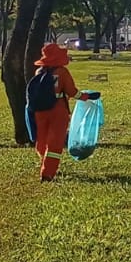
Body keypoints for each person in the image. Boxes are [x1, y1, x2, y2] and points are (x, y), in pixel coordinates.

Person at [28, 43, 95, 181]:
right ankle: (47, 173)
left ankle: (44, 161)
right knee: (55, 142)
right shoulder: (62, 72)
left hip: (39, 111)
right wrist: (86, 97)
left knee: (42, 138)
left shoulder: (38, 71)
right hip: (58, 110)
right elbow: (72, 92)